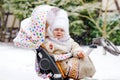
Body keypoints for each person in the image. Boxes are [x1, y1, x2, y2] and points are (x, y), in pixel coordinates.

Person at [42, 8, 96, 80]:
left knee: (84, 57)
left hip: (70, 59)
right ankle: (82, 75)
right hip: (61, 64)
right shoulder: (49, 40)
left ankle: (87, 74)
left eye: (62, 30)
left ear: (65, 32)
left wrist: (78, 52)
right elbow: (46, 45)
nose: (59, 32)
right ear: (52, 30)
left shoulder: (68, 40)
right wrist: (50, 46)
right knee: (76, 66)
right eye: (56, 29)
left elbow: (75, 46)